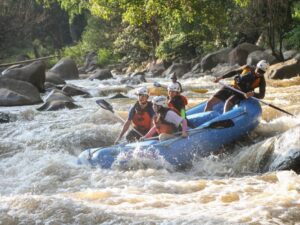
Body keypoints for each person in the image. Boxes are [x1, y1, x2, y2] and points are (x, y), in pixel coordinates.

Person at [204, 60, 269, 113]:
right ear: (256, 67)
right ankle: (205, 119)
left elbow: (262, 95)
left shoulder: (262, 81)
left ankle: (224, 121)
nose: (259, 73)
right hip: (232, 87)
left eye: (262, 72)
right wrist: (221, 77)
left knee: (228, 103)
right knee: (210, 102)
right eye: (259, 70)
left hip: (242, 94)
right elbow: (234, 72)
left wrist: (253, 94)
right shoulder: (247, 68)